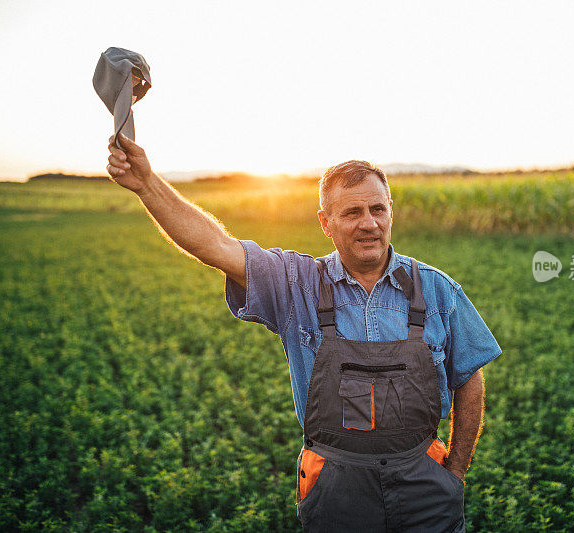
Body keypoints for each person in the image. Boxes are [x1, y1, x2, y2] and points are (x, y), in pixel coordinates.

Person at [106, 133, 502, 532]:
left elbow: (468, 378)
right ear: (325, 223)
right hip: (335, 486)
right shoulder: (296, 284)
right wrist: (146, 183)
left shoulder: (437, 290)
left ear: (391, 212)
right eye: (351, 213)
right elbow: (216, 246)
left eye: (377, 209)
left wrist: (455, 472)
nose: (368, 223)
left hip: (424, 479)